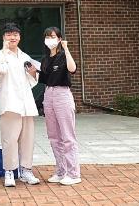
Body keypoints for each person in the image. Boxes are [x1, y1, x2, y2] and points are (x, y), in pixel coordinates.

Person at [0, 23, 41, 187]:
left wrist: (33, 72)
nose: (12, 37)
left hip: (26, 104)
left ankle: (26, 170)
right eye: (9, 34)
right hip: (9, 103)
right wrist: (5, 51)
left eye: (15, 35)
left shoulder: (25, 56)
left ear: (19, 37)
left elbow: (33, 79)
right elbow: (0, 69)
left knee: (27, 139)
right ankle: (9, 171)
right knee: (10, 140)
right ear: (3, 37)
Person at [39, 27, 81, 185]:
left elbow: (72, 69)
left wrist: (66, 48)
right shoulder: (45, 59)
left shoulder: (63, 55)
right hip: (48, 94)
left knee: (67, 136)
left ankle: (73, 173)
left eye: (53, 36)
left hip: (62, 94)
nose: (50, 39)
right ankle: (61, 171)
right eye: (47, 37)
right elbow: (44, 79)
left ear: (59, 38)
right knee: (54, 136)